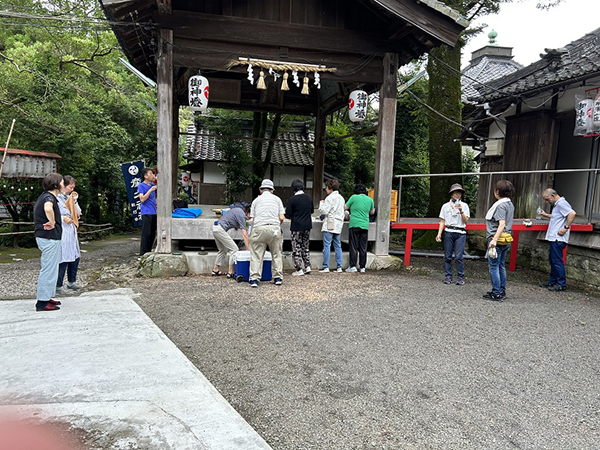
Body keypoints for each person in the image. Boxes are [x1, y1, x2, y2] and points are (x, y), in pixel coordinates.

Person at [34, 173, 64, 311]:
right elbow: (47, 208)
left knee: (52, 269)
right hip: (49, 237)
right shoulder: (48, 197)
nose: (63, 184)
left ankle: (47, 296)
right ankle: (42, 302)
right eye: (62, 182)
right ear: (56, 184)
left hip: (49, 237)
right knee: (48, 269)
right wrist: (52, 222)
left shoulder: (47, 196)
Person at [248, 179, 285, 287]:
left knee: (256, 255)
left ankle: (254, 279)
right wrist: (276, 224)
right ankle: (277, 277)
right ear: (272, 190)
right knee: (276, 254)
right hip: (274, 229)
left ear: (260, 190)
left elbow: (253, 219)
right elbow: (281, 217)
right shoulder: (277, 200)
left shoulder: (256, 201)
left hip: (259, 228)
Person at [538, 188, 576, 291]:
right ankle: (553, 281)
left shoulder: (561, 204)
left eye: (547, 199)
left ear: (553, 196)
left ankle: (561, 283)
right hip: (554, 237)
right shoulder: (558, 205)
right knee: (553, 260)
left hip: (558, 238)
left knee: (557, 261)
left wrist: (565, 228)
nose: (547, 202)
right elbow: (558, 216)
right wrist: (546, 215)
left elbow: (572, 213)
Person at [483, 180, 515, 301]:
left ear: (497, 191)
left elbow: (501, 224)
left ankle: (496, 292)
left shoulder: (500, 205)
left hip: (497, 238)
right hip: (506, 238)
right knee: (501, 265)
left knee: (494, 266)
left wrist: (493, 240)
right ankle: (501, 290)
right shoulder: (509, 204)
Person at [435, 183, 470, 285]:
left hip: (461, 232)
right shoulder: (445, 206)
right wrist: (439, 234)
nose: (457, 195)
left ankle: (460, 277)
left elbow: (466, 221)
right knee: (448, 256)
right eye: (455, 193)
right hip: (449, 231)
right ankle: (448, 276)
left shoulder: (465, 206)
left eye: (459, 193)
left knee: (459, 256)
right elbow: (442, 221)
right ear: (451, 194)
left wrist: (461, 211)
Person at [56, 176, 82, 295]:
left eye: (73, 187)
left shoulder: (71, 198)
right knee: (64, 257)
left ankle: (72, 281)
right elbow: (53, 214)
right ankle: (58, 284)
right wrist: (63, 218)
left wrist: (75, 200)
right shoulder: (56, 197)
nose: (71, 190)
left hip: (71, 229)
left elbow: (78, 212)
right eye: (70, 187)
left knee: (75, 256)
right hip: (62, 230)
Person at [212, 204, 250, 278]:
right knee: (234, 249)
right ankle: (230, 272)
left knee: (222, 250)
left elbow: (234, 223)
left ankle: (215, 270)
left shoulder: (237, 210)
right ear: (248, 212)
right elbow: (244, 234)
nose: (249, 218)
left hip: (215, 227)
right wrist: (248, 249)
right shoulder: (242, 215)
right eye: (250, 216)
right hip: (220, 229)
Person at [285, 179, 314, 276]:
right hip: (307, 225)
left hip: (296, 226)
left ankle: (299, 269)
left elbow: (288, 215)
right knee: (305, 246)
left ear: (293, 189)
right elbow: (312, 210)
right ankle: (308, 266)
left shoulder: (292, 199)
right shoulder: (308, 197)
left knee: (296, 247)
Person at [344, 184, 374, 273]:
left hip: (354, 224)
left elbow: (345, 207)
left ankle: (352, 266)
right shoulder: (370, 199)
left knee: (353, 246)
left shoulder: (354, 197)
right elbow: (372, 212)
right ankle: (362, 267)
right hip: (365, 225)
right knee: (363, 247)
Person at [319, 178, 345, 273]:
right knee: (338, 245)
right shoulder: (341, 198)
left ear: (330, 188)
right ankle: (339, 266)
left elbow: (324, 211)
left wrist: (321, 204)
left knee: (327, 245)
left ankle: (326, 266)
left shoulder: (329, 198)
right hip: (338, 223)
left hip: (330, 222)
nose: (325, 189)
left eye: (326, 187)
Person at [138, 168, 157, 257]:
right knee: (146, 233)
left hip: (154, 212)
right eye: (150, 173)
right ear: (145, 176)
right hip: (146, 212)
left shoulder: (153, 185)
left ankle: (148, 252)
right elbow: (142, 199)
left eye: (153, 173)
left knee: (152, 233)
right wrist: (150, 190)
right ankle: (142, 254)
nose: (152, 175)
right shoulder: (141, 186)